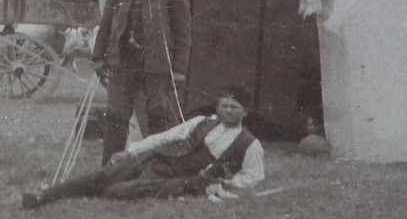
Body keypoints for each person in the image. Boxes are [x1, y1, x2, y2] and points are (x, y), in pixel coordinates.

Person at [21, 86, 264, 207]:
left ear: (245, 111)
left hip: (180, 180)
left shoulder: (249, 144)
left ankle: (89, 194)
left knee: (116, 191)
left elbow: (253, 177)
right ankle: (44, 196)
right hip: (157, 160)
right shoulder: (202, 122)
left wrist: (222, 183)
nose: (227, 111)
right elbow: (164, 137)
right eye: (223, 106)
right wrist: (131, 150)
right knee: (103, 175)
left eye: (233, 107)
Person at [91, 0, 191, 165]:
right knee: (116, 114)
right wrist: (98, 58)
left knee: (158, 113)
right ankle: (109, 167)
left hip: (157, 65)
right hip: (123, 63)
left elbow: (184, 36)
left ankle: (158, 165)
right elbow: (106, 26)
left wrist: (179, 70)